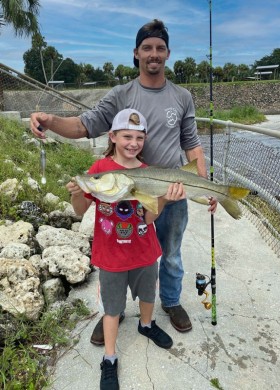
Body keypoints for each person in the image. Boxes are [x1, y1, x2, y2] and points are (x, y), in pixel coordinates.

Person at [31, 19, 217, 341]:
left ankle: (170, 302)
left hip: (170, 192)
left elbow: (192, 144)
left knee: (170, 252)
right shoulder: (121, 94)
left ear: (168, 53)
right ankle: (112, 314)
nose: (153, 53)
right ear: (136, 53)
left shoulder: (182, 97)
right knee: (120, 254)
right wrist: (49, 120)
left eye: (160, 48)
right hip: (126, 197)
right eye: (147, 48)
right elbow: (83, 125)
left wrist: (207, 187)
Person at [66, 108, 185, 390]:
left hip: (144, 250)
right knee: (112, 308)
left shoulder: (148, 173)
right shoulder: (98, 171)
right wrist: (76, 192)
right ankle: (109, 358)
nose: (133, 143)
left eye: (139, 138)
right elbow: (82, 208)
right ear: (113, 136)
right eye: (127, 136)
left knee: (147, 295)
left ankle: (146, 325)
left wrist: (166, 200)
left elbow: (148, 218)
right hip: (110, 256)